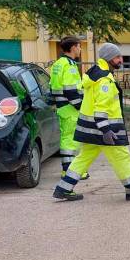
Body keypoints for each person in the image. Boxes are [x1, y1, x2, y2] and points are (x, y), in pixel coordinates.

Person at [53, 43, 130, 201]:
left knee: (83, 157)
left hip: (90, 128)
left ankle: (63, 188)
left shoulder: (94, 73)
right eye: (117, 57)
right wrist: (106, 130)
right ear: (108, 58)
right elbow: (101, 107)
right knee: (122, 157)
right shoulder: (104, 79)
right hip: (106, 129)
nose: (121, 60)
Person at [49, 36, 87, 178]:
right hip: (71, 108)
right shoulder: (69, 66)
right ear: (73, 48)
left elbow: (54, 87)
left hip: (62, 106)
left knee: (67, 138)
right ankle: (70, 171)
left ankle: (69, 170)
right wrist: (79, 106)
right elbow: (71, 90)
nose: (80, 49)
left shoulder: (58, 64)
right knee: (71, 140)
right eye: (79, 46)